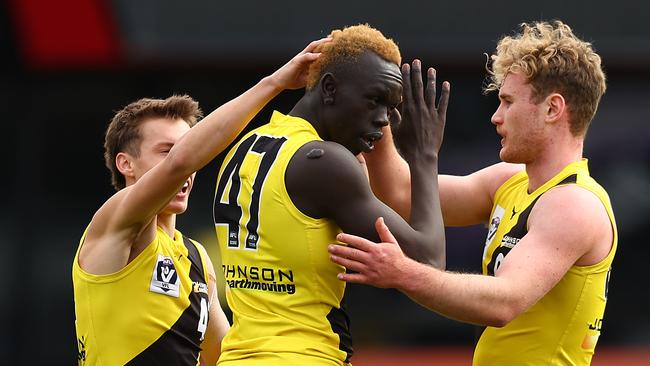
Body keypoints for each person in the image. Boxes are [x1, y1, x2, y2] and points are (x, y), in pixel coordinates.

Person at [329, 20, 617, 366]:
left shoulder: (574, 203)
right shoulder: (509, 182)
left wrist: (401, 272)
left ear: (553, 109)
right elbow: (402, 193)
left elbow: (504, 302)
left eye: (508, 102)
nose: (496, 117)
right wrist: (375, 108)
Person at [71, 37, 330, 366]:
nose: (186, 168)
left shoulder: (197, 259)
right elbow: (182, 163)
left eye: (182, 147)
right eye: (166, 150)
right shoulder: (114, 221)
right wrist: (275, 83)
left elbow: (227, 355)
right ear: (126, 164)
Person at [213, 24, 449, 365]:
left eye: (390, 107)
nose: (384, 121)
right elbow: (427, 263)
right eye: (375, 100)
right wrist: (424, 155)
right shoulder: (324, 162)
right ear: (329, 88)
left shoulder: (245, 147)